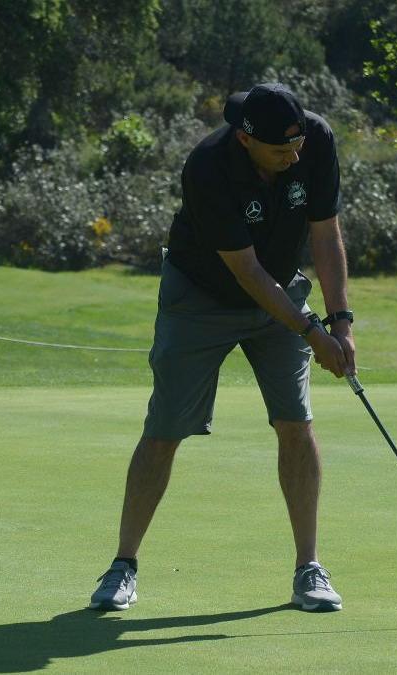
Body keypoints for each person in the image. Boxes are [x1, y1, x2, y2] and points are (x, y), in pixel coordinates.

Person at [88, 83, 356, 613]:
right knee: (164, 429)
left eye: (298, 145)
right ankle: (123, 566)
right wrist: (312, 333)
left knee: (296, 424)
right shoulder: (208, 167)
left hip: (281, 290)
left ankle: (310, 569)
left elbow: (326, 235)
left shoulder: (315, 142)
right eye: (281, 152)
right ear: (244, 138)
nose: (294, 157)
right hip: (201, 296)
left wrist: (341, 322)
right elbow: (246, 273)